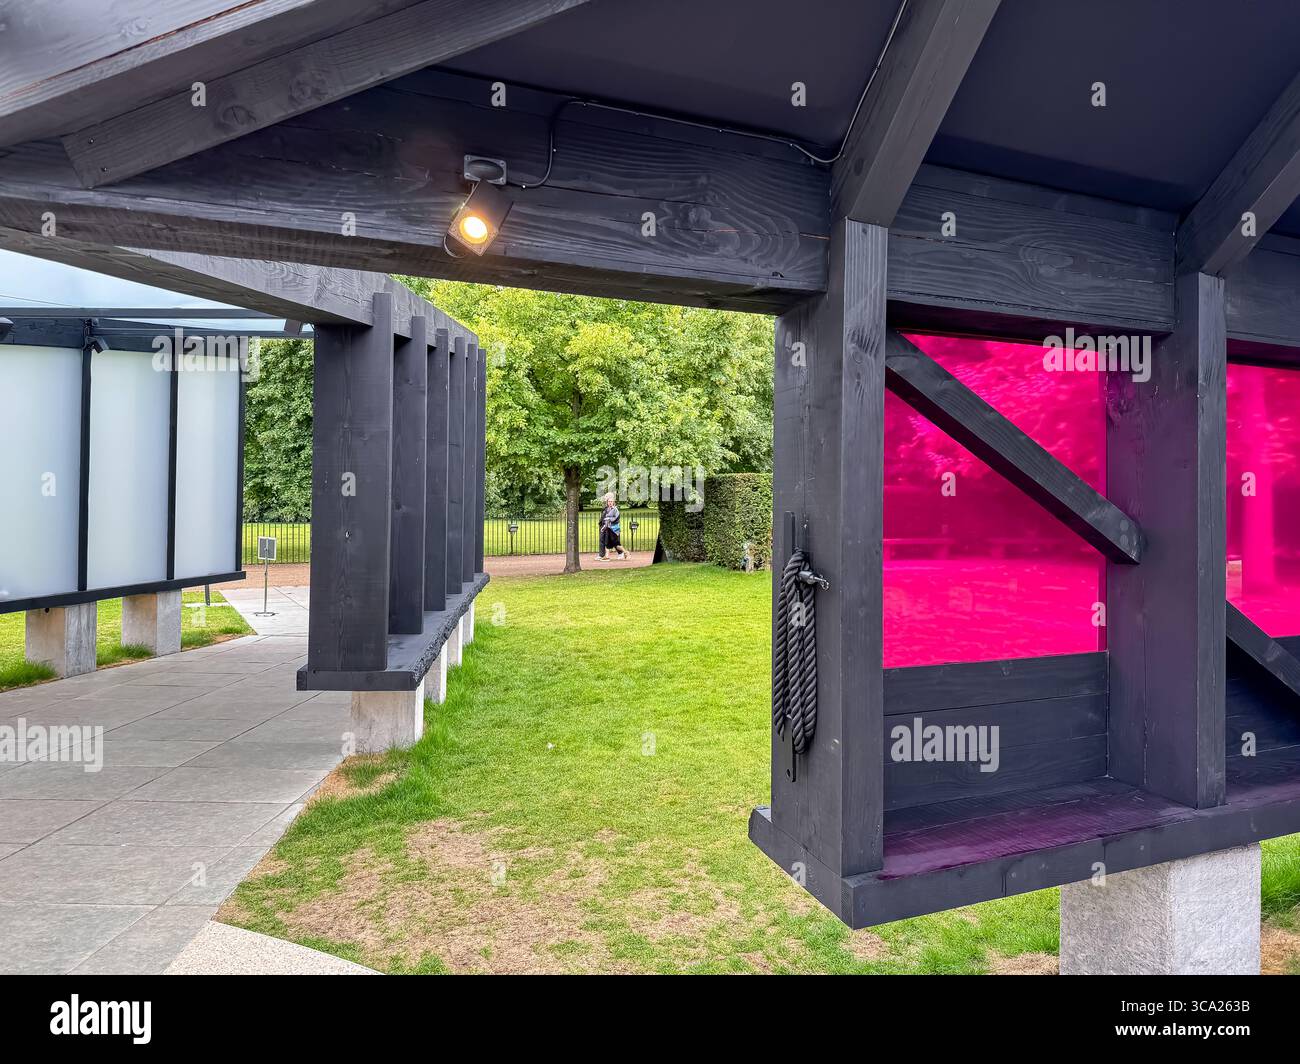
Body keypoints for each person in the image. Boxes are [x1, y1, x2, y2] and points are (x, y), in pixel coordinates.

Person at [599, 492, 629, 561]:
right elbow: (606, 520)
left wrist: (608, 519)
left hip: (614, 529)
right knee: (607, 543)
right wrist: (604, 527)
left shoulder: (615, 510)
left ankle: (625, 552)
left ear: (613, 502)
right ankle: (607, 556)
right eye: (609, 501)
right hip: (608, 529)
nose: (610, 503)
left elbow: (615, 519)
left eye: (611, 501)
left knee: (616, 544)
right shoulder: (607, 509)